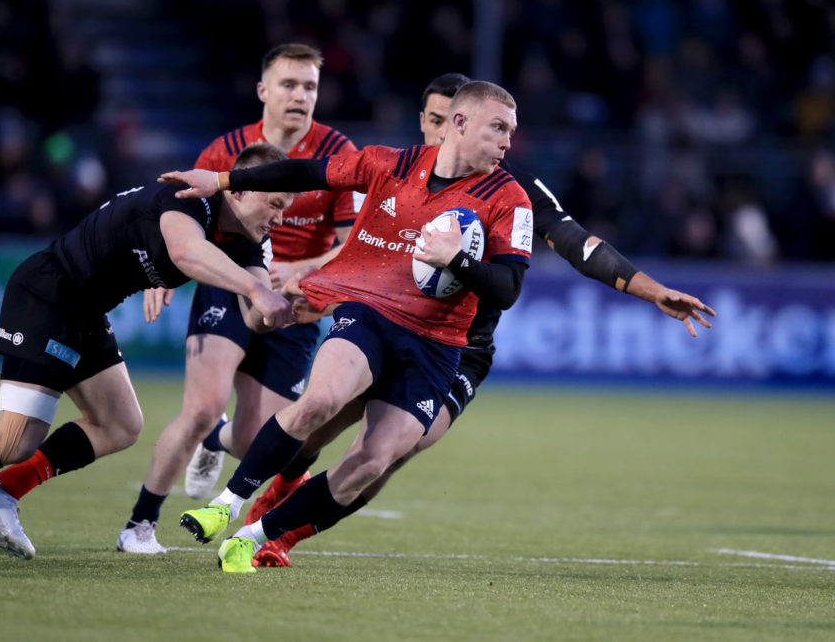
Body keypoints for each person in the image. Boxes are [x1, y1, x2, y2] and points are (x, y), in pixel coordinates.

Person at [241, 72, 718, 567]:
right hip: (384, 319)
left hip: (456, 348)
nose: (439, 129)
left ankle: (275, 537)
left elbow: (579, 245)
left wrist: (653, 290)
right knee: (318, 422)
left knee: (386, 455)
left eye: (449, 119)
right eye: (433, 119)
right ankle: (263, 499)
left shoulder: (510, 190)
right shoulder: (398, 169)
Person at [0, 142, 295, 560]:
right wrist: (257, 288)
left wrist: (283, 306)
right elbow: (185, 251)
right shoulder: (190, 198)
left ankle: (2, 490)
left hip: (84, 313)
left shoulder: (249, 242)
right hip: (48, 295)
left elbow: (255, 314)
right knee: (14, 439)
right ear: (238, 189)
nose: (279, 217)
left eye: (286, 209)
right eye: (274, 204)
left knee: (121, 425)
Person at [162, 80, 534, 573]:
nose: (509, 141)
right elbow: (307, 172)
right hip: (370, 312)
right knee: (319, 402)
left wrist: (458, 261)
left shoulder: (511, 198)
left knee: (374, 461)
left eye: (511, 130)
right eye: (499, 128)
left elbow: (507, 288)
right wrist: (223, 180)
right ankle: (225, 505)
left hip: (438, 346)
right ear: (459, 124)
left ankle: (256, 536)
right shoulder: (391, 163)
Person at [115, 43, 359, 554]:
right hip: (228, 285)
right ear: (263, 91)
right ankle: (139, 525)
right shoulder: (225, 151)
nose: (299, 96)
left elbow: (350, 245)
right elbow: (180, 221)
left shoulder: (339, 155)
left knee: (255, 440)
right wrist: (164, 270)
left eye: (309, 86)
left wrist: (299, 268)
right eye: (289, 85)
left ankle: (215, 442)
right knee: (202, 406)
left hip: (295, 304)